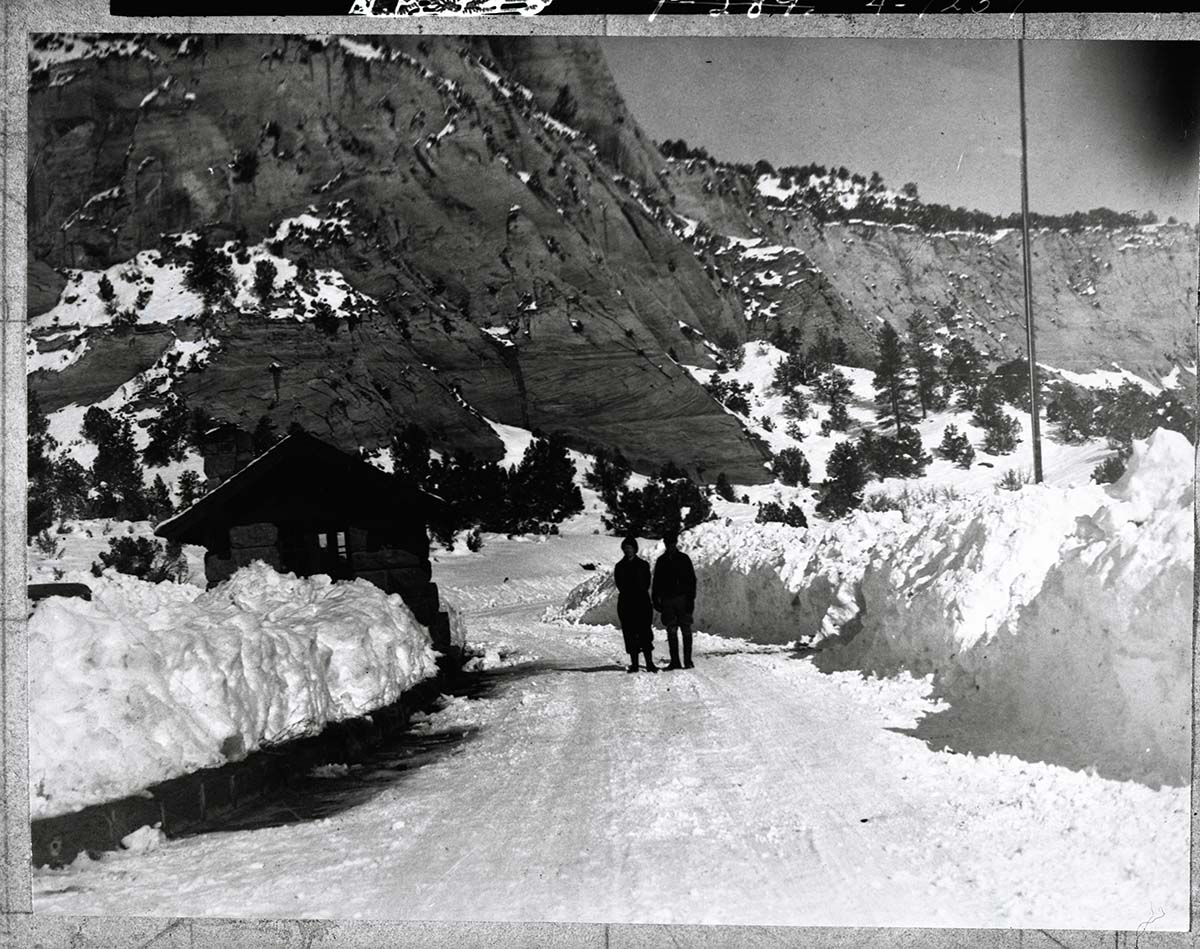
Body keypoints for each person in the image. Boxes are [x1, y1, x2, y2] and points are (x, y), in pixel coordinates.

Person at [652, 529, 697, 670]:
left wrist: (690, 599)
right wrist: (655, 599)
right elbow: (656, 582)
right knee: (671, 630)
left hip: (682, 599)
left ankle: (688, 661)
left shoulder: (684, 559)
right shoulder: (661, 561)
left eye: (672, 543)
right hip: (667, 600)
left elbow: (691, 581)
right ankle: (675, 661)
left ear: (676, 543)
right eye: (667, 543)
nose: (670, 545)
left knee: (686, 629)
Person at [614, 536, 657, 673]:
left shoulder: (643, 565)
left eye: (630, 548)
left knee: (645, 633)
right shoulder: (619, 566)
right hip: (626, 604)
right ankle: (635, 664)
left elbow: (646, 583)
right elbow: (619, 584)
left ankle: (649, 663)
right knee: (630, 633)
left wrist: (637, 591)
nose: (628, 550)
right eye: (625, 548)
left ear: (635, 549)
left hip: (642, 603)